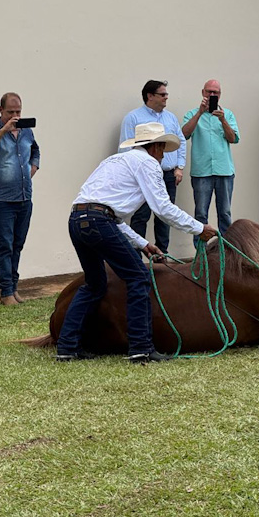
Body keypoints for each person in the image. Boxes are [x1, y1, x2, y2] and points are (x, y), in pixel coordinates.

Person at [56, 122, 217, 364]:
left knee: (95, 285)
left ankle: (67, 347)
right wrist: (199, 228)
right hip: (99, 221)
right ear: (156, 147)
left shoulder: (114, 161)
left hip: (78, 220)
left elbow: (110, 215)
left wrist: (143, 244)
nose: (163, 156)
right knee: (139, 277)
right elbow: (162, 208)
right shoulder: (148, 163)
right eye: (163, 149)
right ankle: (141, 348)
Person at [0, 92, 40, 306]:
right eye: (10, 112)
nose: (15, 116)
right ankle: (6, 292)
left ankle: (13, 288)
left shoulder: (26, 131)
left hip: (24, 197)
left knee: (17, 244)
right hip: (1, 200)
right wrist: (4, 129)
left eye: (18, 111)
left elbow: (35, 150)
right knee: (5, 245)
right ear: (1, 110)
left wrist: (33, 167)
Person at [119, 80, 186, 253]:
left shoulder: (171, 117)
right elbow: (125, 148)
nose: (166, 97)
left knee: (166, 216)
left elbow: (181, 141)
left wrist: (179, 167)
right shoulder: (133, 118)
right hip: (143, 175)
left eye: (166, 94)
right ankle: (136, 257)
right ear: (150, 96)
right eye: (162, 94)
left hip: (168, 174)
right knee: (141, 216)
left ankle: (162, 257)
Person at [182, 79, 239, 246]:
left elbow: (233, 138)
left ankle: (227, 251)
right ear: (203, 92)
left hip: (224, 170)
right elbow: (183, 134)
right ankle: (201, 252)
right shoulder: (192, 114)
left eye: (216, 92)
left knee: (225, 213)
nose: (212, 95)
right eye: (209, 91)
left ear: (220, 95)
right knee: (200, 214)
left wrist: (223, 121)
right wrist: (199, 113)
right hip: (202, 171)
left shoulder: (227, 114)